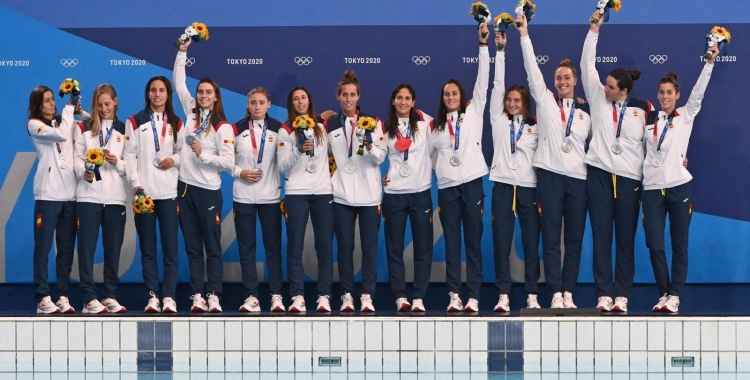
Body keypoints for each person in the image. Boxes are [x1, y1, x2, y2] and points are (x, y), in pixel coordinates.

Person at [517, 14, 591, 308]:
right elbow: (531, 69)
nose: (562, 81)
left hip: (578, 179)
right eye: (558, 77)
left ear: (575, 81)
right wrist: (524, 34)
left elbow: (612, 142)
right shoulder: (545, 101)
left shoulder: (587, 114)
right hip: (548, 176)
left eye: (567, 78)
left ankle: (569, 291)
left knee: (573, 240)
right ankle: (555, 291)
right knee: (550, 237)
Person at [583, 12, 655, 312]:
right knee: (601, 237)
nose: (606, 88)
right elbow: (587, 65)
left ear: (624, 91)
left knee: (625, 238)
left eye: (611, 86)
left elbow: (654, 141)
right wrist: (594, 30)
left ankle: (622, 295)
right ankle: (604, 294)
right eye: (606, 84)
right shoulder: (598, 99)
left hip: (628, 179)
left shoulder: (643, 108)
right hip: (599, 174)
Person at [643, 45, 718, 313]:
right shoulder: (648, 118)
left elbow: (699, 91)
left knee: (679, 243)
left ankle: (675, 295)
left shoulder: (685, 115)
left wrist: (709, 62)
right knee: (653, 242)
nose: (665, 96)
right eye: (661, 92)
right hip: (651, 187)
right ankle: (664, 292)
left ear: (677, 95)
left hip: (679, 186)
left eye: (669, 93)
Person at [430, 23, 491, 312]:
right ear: (442, 99)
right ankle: (455, 294)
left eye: (454, 93)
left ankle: (474, 295)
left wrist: (483, 46)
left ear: (461, 95)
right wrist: (441, 170)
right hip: (447, 188)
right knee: (452, 243)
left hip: (472, 184)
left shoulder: (474, 112)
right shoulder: (436, 127)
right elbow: (424, 155)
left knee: (473, 243)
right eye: (446, 94)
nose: (450, 97)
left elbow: (484, 79)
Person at [174, 39, 235, 312]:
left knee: (212, 246)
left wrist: (203, 155)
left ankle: (214, 294)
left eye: (208, 92)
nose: (202, 96)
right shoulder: (191, 112)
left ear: (216, 96)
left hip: (209, 191)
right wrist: (182, 52)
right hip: (185, 189)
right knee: (192, 247)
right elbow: (178, 82)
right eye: (200, 92)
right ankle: (197, 293)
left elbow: (228, 163)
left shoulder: (222, 127)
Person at [325, 70, 386, 312]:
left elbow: (380, 157)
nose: (348, 99)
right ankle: (348, 295)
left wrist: (369, 145)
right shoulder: (329, 124)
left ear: (358, 96)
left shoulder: (373, 122)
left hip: (370, 195)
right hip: (341, 195)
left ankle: (367, 295)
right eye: (344, 95)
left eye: (352, 95)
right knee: (345, 247)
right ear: (338, 96)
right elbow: (324, 154)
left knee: (369, 247)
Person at [487, 31, 541, 312]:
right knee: (501, 242)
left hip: (529, 187)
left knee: (531, 242)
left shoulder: (536, 125)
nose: (511, 103)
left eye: (517, 100)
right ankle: (503, 295)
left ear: (525, 102)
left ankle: (532, 293)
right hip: (502, 185)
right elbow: (497, 84)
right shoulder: (498, 119)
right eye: (509, 100)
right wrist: (501, 51)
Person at [123, 76, 183, 313]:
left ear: (168, 94)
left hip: (169, 193)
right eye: (153, 90)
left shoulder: (178, 123)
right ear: (148, 94)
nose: (157, 94)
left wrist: (174, 159)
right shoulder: (134, 121)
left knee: (170, 248)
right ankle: (152, 297)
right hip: (144, 195)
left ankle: (168, 297)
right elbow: (129, 156)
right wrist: (136, 185)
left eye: (162, 90)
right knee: (148, 248)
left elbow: (183, 153)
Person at [277, 86, 335, 313]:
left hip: (322, 192)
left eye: (303, 98)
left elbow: (338, 154)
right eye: (295, 99)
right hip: (296, 194)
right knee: (295, 247)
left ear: (309, 101)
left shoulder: (322, 127)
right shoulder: (285, 131)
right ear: (291, 104)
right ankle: (297, 296)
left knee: (325, 246)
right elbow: (283, 166)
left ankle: (324, 296)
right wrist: (298, 150)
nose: (300, 102)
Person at [73, 84, 128, 314]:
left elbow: (132, 166)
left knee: (113, 249)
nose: (104, 108)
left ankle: (109, 295)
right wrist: (83, 172)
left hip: (116, 199)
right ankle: (88, 298)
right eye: (100, 105)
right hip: (88, 197)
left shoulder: (126, 130)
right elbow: (76, 159)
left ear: (115, 101)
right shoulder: (84, 128)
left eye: (107, 103)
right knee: (86, 249)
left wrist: (118, 163)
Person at [27, 86, 80, 314]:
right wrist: (70, 107)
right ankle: (43, 297)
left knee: (66, 249)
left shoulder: (63, 120)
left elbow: (85, 119)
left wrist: (77, 106)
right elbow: (60, 136)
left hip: (70, 195)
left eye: (52, 100)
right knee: (44, 247)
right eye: (47, 101)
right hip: (48, 195)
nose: (52, 104)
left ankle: (63, 295)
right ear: (38, 105)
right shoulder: (34, 124)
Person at [381, 84, 433, 312]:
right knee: (394, 248)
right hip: (394, 194)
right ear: (393, 101)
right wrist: (378, 178)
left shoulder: (425, 126)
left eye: (407, 98)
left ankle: (419, 296)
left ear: (414, 102)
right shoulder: (383, 129)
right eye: (399, 98)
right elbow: (373, 157)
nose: (403, 102)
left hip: (420, 193)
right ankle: (400, 296)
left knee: (423, 248)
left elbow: (449, 127)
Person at [232, 87, 284, 313]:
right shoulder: (235, 128)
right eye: (253, 102)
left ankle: (276, 295)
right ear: (248, 105)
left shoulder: (279, 129)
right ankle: (251, 296)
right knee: (247, 248)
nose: (257, 106)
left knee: (272, 248)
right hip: (243, 196)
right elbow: (225, 160)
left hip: (270, 196)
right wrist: (239, 172)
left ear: (269, 104)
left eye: (261, 102)